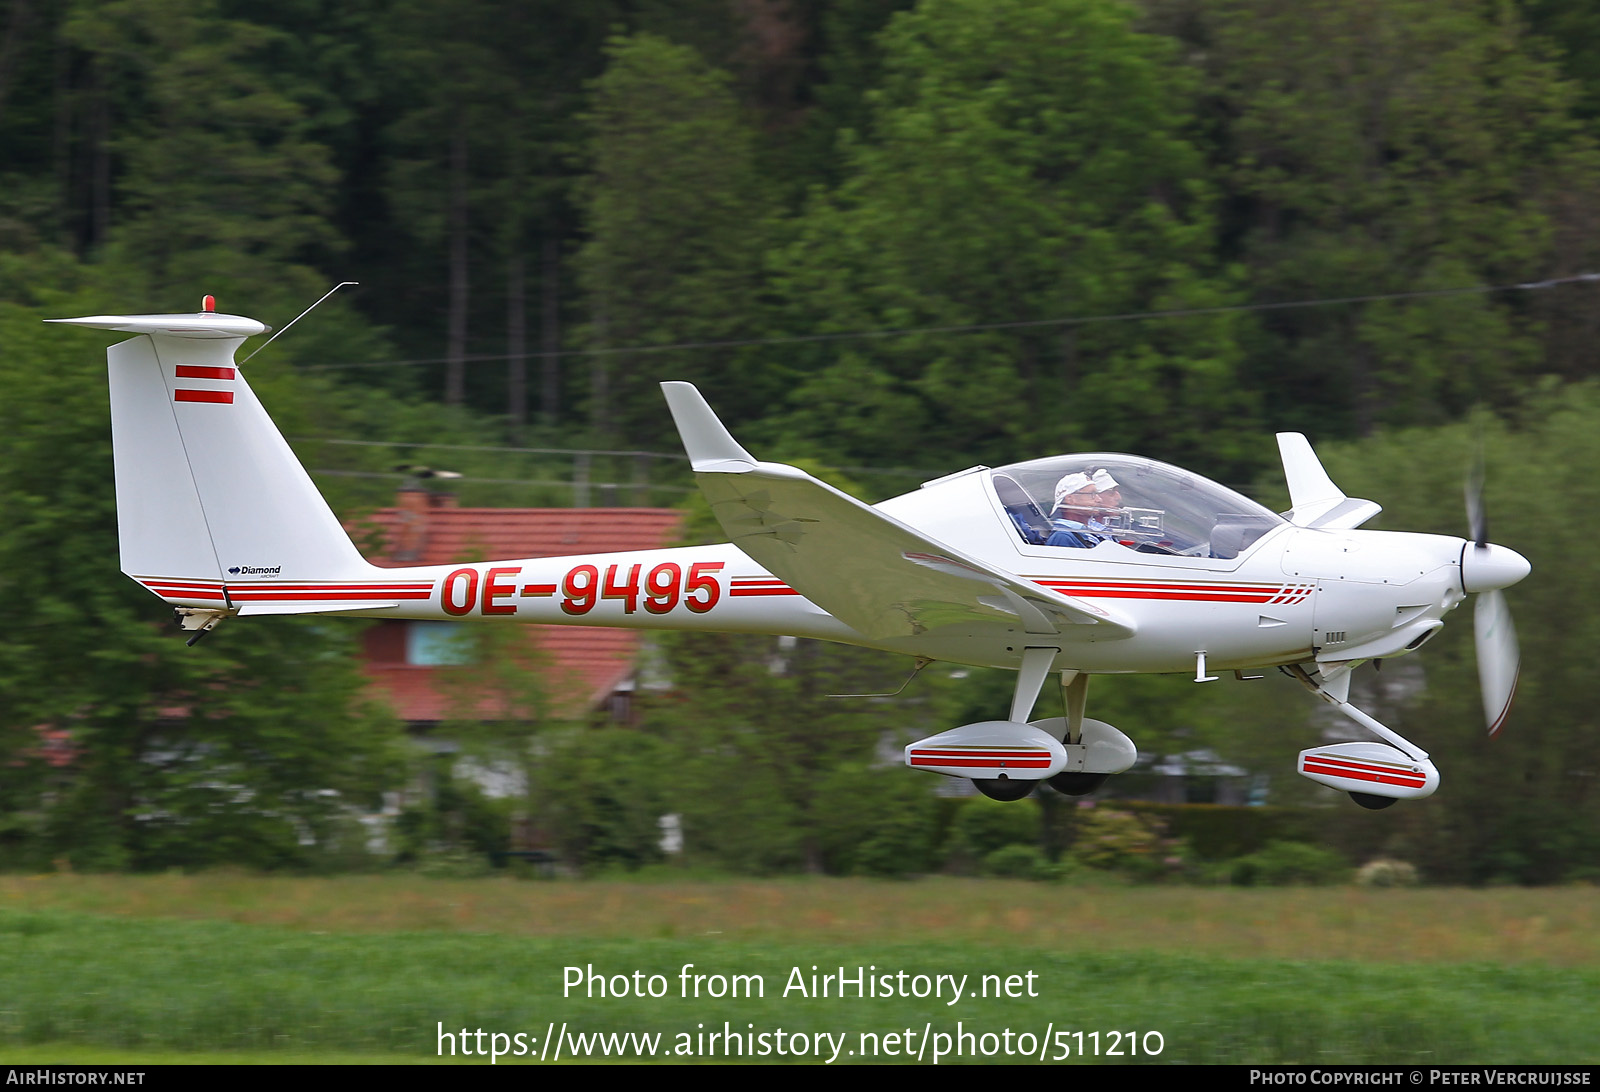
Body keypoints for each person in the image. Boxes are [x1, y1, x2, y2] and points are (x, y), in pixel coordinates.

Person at [1046, 468, 1120, 548]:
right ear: (1070, 499)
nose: (1099, 499)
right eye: (1092, 494)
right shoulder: (1063, 537)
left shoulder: (1083, 532)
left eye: (1097, 494)